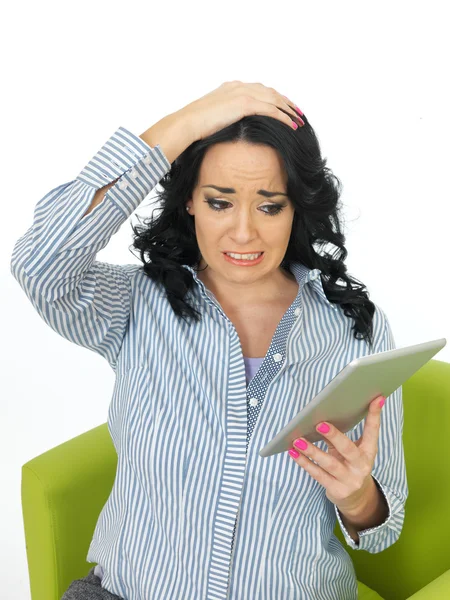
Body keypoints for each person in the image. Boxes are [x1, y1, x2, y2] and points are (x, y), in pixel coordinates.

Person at [10, 81, 408, 600]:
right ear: (190, 202)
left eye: (269, 206)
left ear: (297, 209)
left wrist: (359, 500)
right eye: (220, 202)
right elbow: (40, 264)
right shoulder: (137, 303)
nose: (243, 233)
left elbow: (385, 525)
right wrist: (184, 125)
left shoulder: (356, 330)